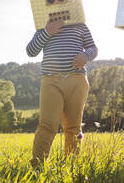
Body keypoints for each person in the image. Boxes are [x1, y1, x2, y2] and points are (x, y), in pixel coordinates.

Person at [26, 19, 98, 167]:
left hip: (76, 79)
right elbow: (31, 51)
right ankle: (37, 166)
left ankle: (71, 165)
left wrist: (86, 56)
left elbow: (93, 48)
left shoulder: (80, 25)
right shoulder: (43, 26)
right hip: (51, 80)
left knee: (73, 127)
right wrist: (47, 32)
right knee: (46, 125)